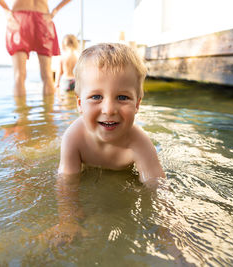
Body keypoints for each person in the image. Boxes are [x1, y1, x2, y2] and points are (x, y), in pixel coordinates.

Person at [40, 43, 166, 246]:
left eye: (122, 97)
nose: (109, 109)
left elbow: (157, 186)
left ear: (137, 104)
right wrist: (68, 220)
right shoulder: (74, 137)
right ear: (80, 103)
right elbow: (66, 181)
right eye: (96, 97)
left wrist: (167, 226)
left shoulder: (139, 143)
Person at [0, 0, 72, 96]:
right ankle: (47, 111)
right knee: (47, 75)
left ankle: (21, 111)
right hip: (43, 19)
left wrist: (6, 9)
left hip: (20, 18)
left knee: (19, 75)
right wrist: (55, 11)